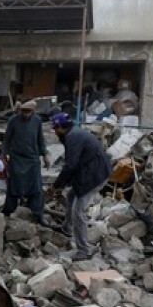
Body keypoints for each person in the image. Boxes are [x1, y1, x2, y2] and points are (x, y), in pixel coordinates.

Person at [48, 112, 112, 261]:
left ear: (59, 127)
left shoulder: (73, 137)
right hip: (91, 172)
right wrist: (62, 186)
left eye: (55, 128)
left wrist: (56, 186)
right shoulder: (72, 133)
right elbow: (74, 164)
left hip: (95, 176)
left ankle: (84, 249)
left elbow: (70, 165)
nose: (55, 132)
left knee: (78, 212)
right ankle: (67, 228)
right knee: (71, 195)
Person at [2, 99, 52, 226]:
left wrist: (45, 154)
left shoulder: (37, 121)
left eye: (28, 112)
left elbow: (40, 139)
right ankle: (8, 211)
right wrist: (5, 155)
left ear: (33, 111)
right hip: (17, 158)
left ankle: (37, 213)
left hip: (32, 159)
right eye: (23, 111)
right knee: (14, 187)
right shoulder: (13, 121)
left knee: (36, 188)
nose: (25, 114)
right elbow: (7, 140)